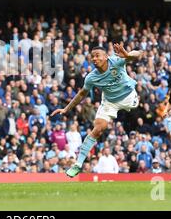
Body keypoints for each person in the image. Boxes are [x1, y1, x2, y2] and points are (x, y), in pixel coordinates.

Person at [52, 44, 143, 178]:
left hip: (128, 97)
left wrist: (128, 55)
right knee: (99, 128)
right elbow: (82, 94)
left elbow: (139, 53)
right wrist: (66, 108)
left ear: (106, 57)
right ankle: (78, 164)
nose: (94, 58)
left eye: (97, 55)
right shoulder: (91, 77)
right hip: (109, 102)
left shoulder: (116, 61)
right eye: (92, 56)